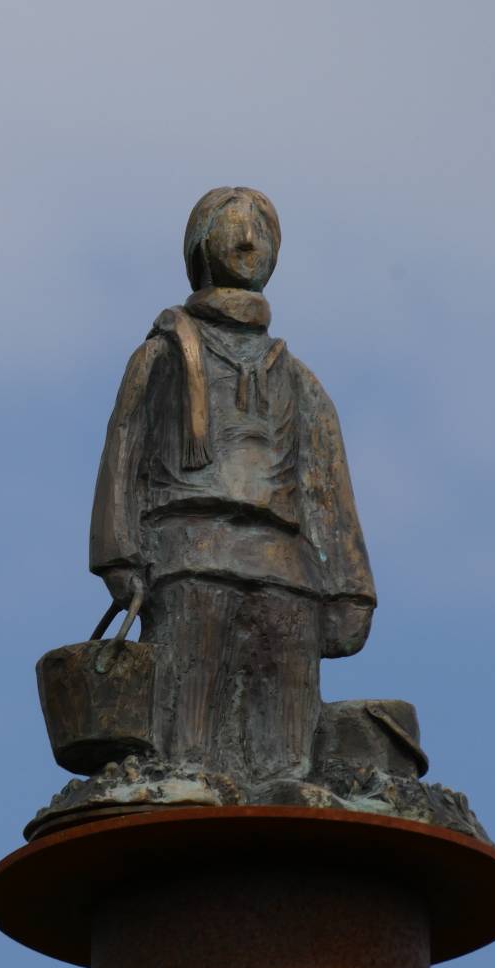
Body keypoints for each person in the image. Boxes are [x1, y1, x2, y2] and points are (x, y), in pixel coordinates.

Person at [89, 187, 376, 784]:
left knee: (288, 742)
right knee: (188, 734)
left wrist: (351, 591)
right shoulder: (163, 356)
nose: (248, 242)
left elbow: (329, 491)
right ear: (201, 247)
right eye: (232, 229)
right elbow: (124, 452)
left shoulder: (298, 380)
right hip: (191, 559)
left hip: (286, 572)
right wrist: (120, 556)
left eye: (261, 232)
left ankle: (286, 798)